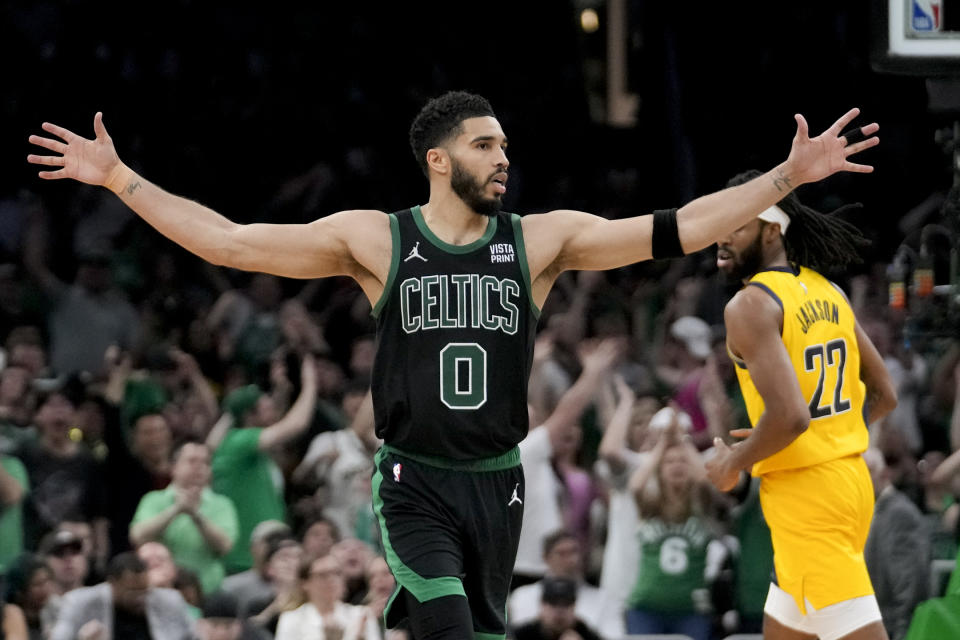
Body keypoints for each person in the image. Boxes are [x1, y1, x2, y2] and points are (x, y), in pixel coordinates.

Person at [28, 91, 879, 640]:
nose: (503, 157)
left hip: (497, 482)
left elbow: (682, 226)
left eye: (506, 144)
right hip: (415, 482)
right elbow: (231, 241)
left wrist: (781, 179)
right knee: (441, 624)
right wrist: (121, 179)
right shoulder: (377, 238)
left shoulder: (541, 242)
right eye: (484, 145)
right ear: (438, 160)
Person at [705, 169, 899, 640]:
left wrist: (735, 462)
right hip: (847, 484)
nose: (721, 235)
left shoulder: (749, 304)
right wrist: (807, 436)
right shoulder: (829, 290)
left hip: (807, 498)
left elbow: (792, 417)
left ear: (772, 230)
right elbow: (883, 394)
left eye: (737, 225)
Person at [130, 441, 239, 594]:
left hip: (209, 591)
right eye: (192, 461)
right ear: (173, 467)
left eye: (205, 462)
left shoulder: (222, 504)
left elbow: (225, 546)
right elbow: (138, 536)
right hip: (161, 590)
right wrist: (176, 509)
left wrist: (195, 515)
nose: (199, 467)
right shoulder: (153, 500)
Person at [48, 551, 194, 640]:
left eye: (144, 590)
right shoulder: (79, 602)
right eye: (132, 592)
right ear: (112, 584)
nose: (140, 597)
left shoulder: (170, 600)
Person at [863, 448, 930, 640]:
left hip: (891, 631)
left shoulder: (899, 514)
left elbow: (911, 591)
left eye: (866, 472)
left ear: (884, 474)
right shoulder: (875, 512)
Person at [274, 554, 379, 640]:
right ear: (304, 583)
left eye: (336, 573)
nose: (331, 580)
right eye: (323, 575)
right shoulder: (291, 619)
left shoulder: (361, 615)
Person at [510, 576, 603, 640]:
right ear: (542, 606)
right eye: (553, 603)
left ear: (574, 607)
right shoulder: (524, 634)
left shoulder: (583, 632)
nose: (559, 611)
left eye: (565, 604)